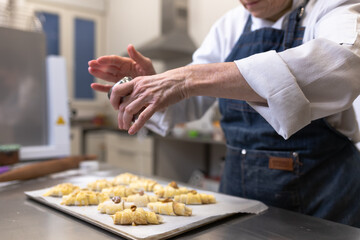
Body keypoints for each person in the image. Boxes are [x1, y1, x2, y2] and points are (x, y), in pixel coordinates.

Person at [88, 0, 360, 227]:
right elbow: (191, 102)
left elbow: (342, 66)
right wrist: (153, 86)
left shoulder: (330, 6)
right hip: (237, 191)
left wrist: (188, 78)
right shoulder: (231, 24)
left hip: (324, 195)